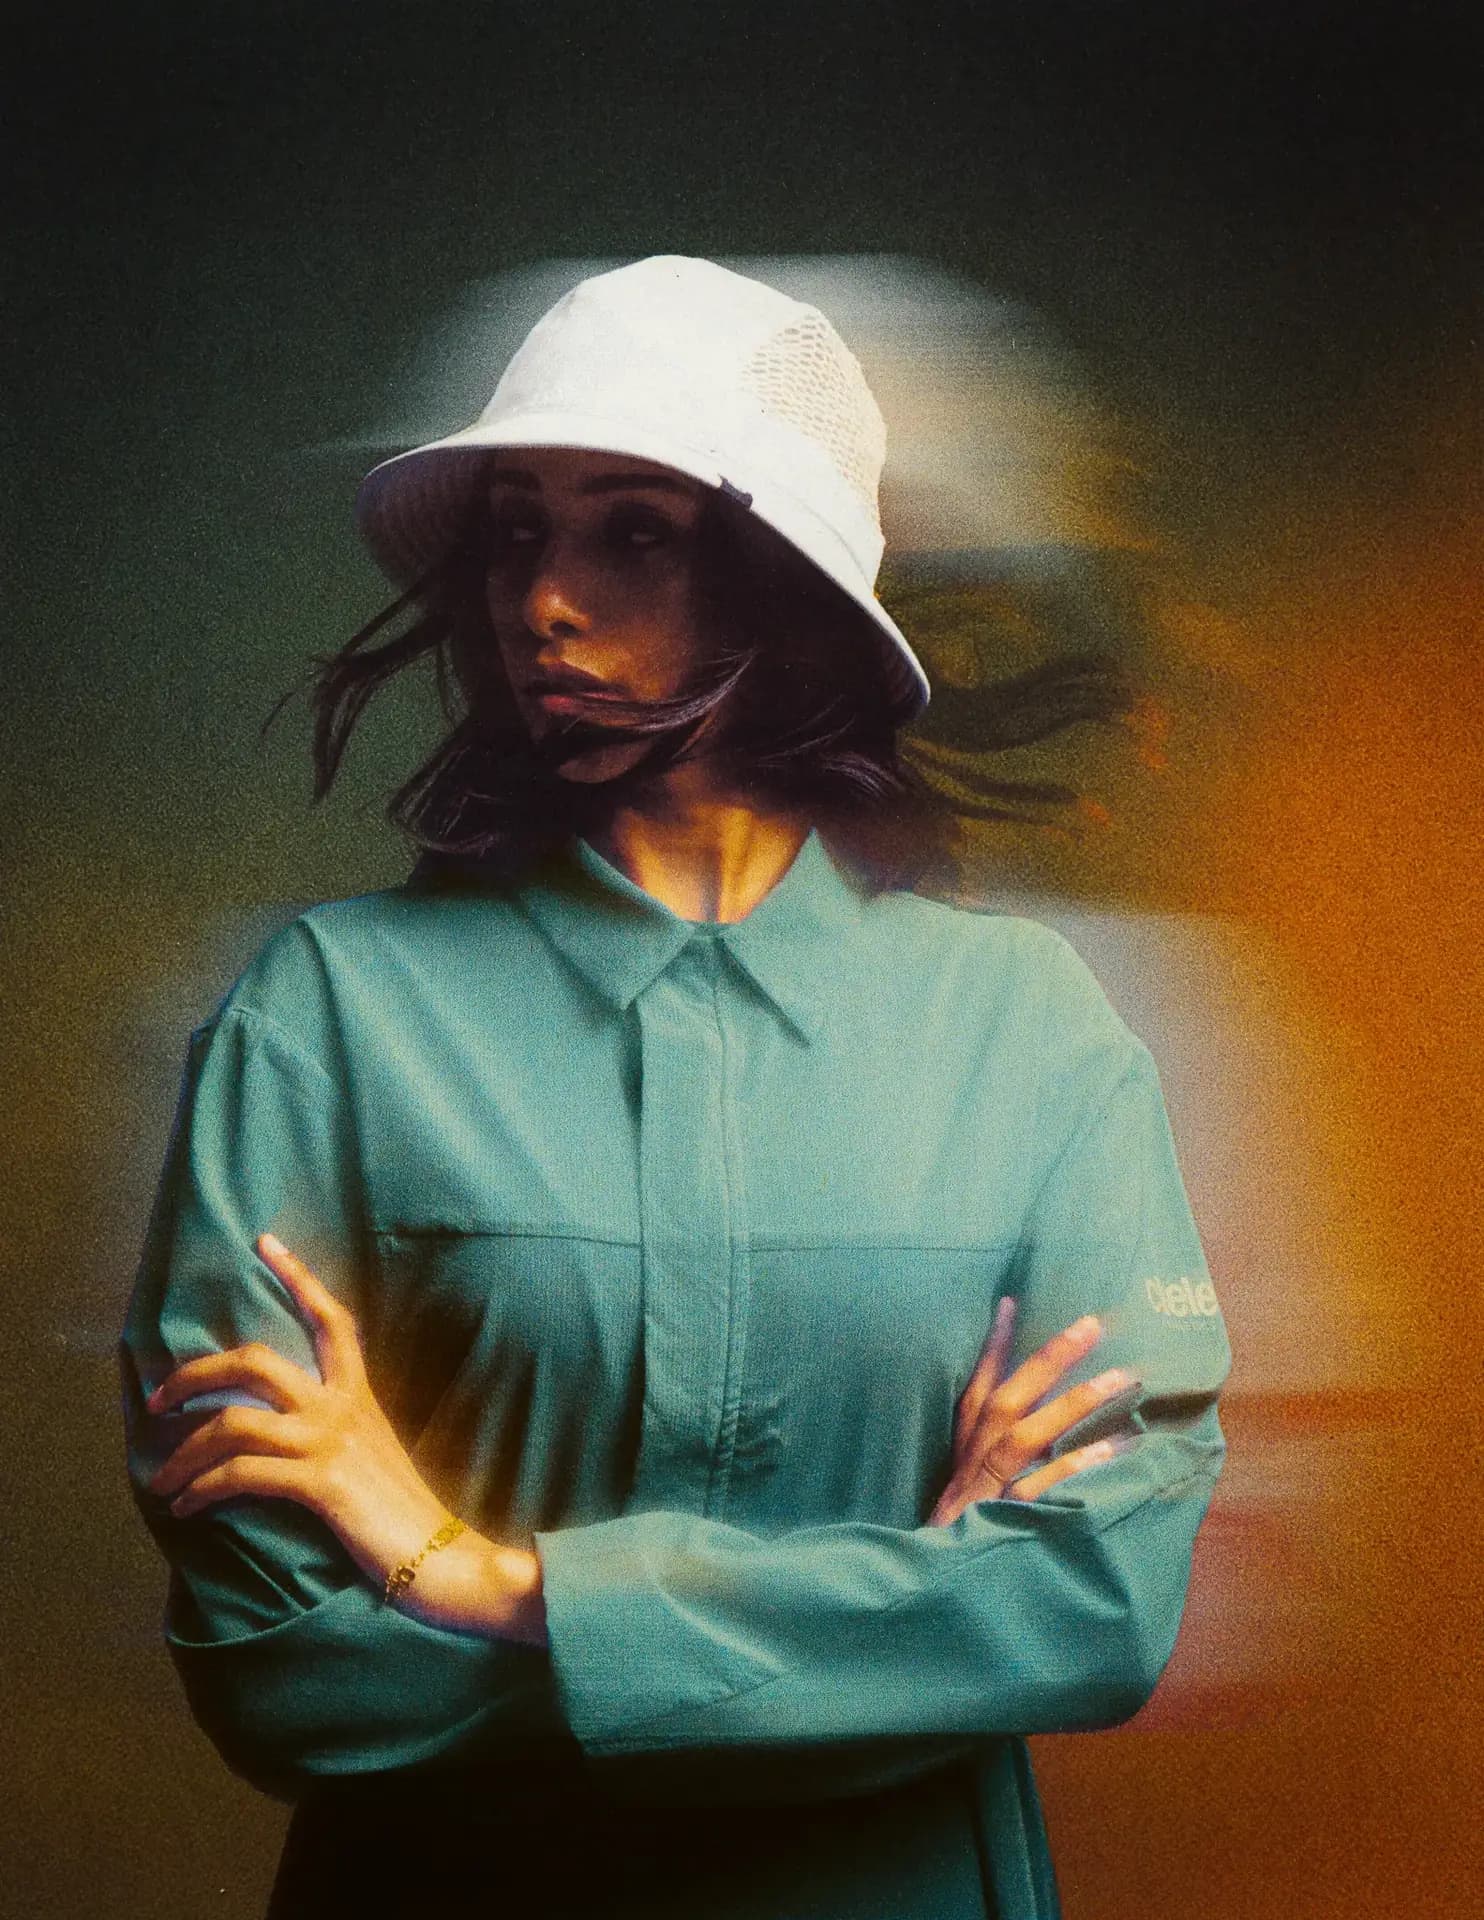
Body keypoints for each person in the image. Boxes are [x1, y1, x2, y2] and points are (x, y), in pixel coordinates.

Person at [119, 255, 1231, 1920]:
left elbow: (1092, 1614)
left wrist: (479, 1579)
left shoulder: (1033, 1035)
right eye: (516, 534)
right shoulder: (324, 1020)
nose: (541, 603)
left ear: (780, 584)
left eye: (631, 534)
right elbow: (282, 1669)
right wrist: (910, 1624)